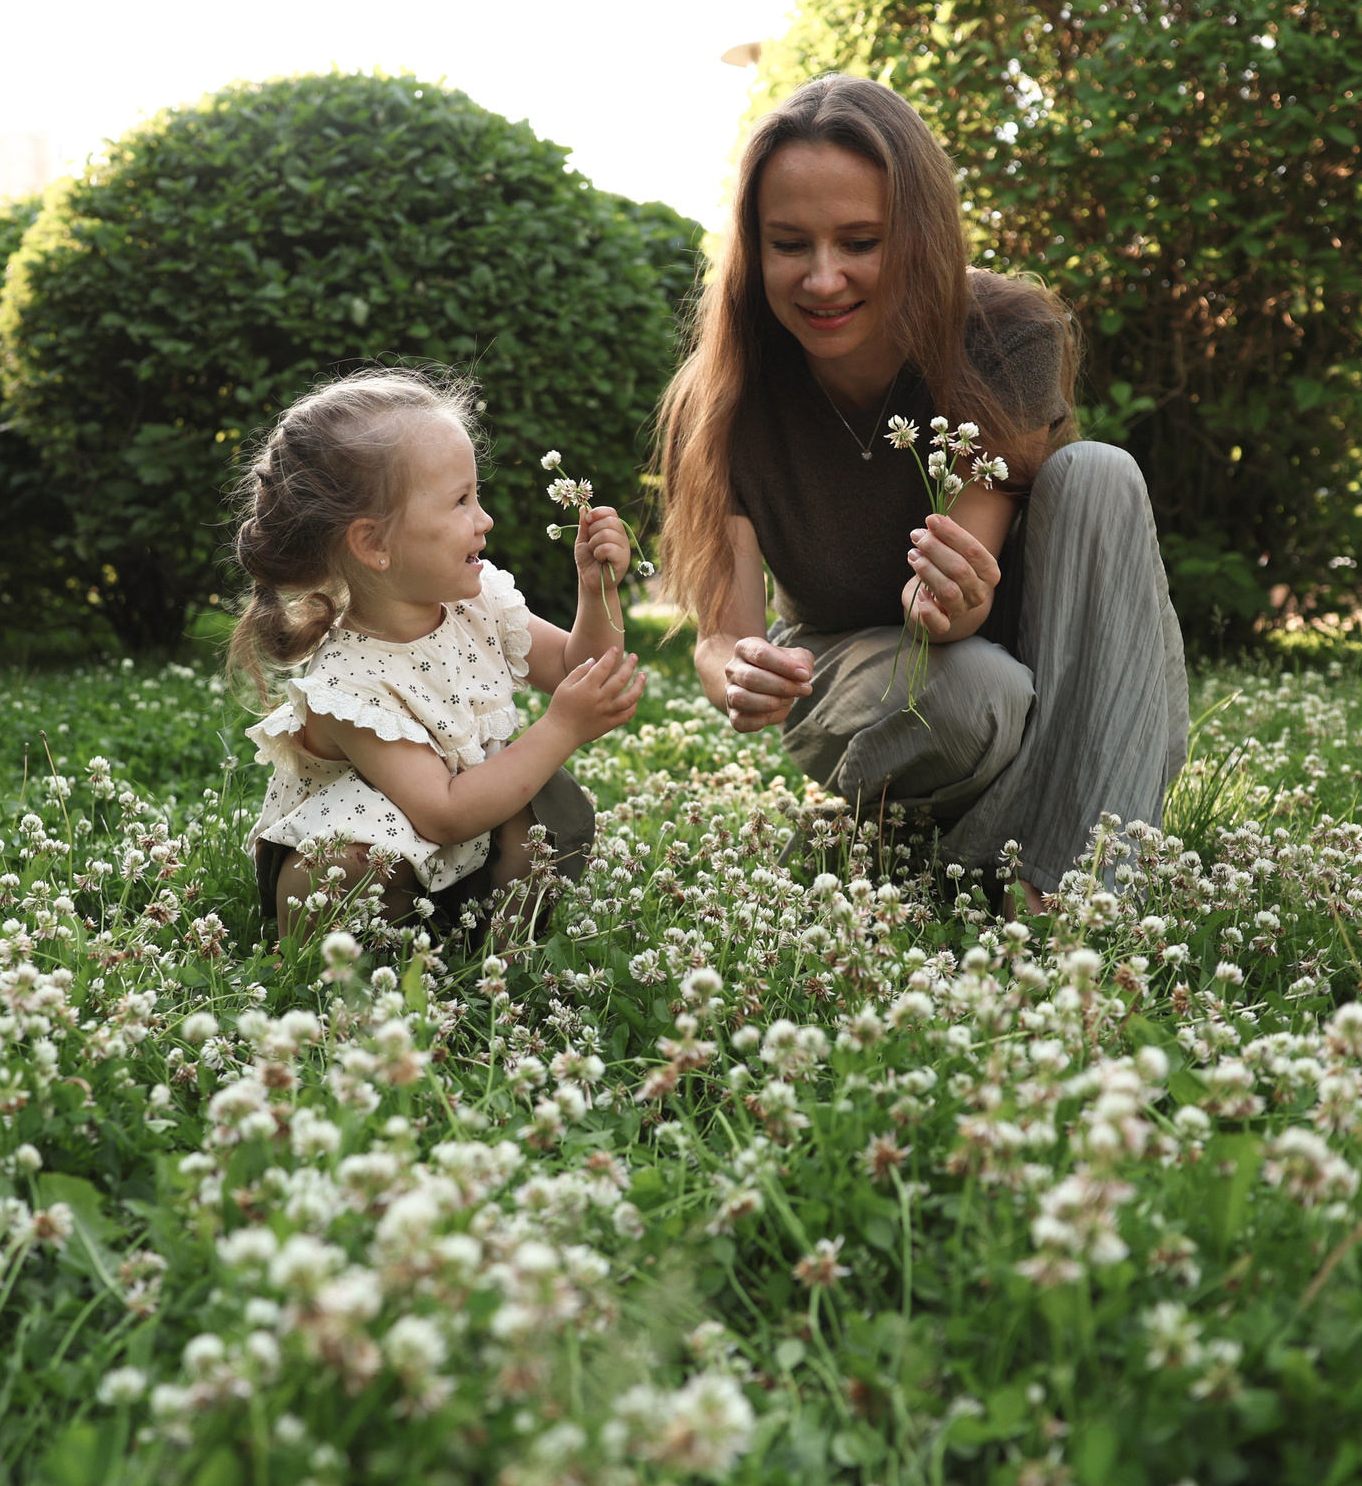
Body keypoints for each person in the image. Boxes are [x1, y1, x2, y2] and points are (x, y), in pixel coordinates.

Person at [652, 75, 1187, 903]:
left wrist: (950, 598)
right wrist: (738, 670)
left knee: (1100, 474)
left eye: (860, 242)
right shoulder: (724, 395)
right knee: (975, 692)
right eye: (789, 244)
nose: (823, 279)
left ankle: (1040, 884)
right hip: (862, 675)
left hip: (1056, 664)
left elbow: (957, 603)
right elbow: (724, 634)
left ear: (919, 234)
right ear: (753, 248)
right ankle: (1044, 859)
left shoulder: (1007, 334)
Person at [232, 368, 647, 938]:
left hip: (472, 845)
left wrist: (596, 587)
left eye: (476, 496)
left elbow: (583, 671)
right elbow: (444, 812)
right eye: (460, 501)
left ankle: (493, 944)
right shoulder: (346, 683)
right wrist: (561, 729)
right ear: (374, 544)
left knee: (545, 804)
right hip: (388, 862)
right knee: (338, 867)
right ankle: (344, 957)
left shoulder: (480, 602)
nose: (485, 519)